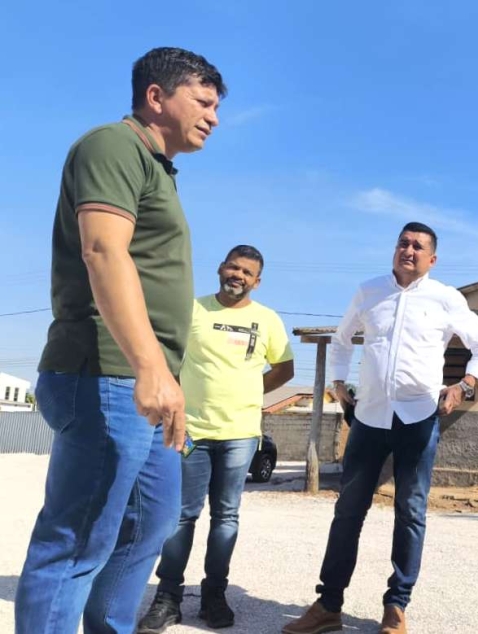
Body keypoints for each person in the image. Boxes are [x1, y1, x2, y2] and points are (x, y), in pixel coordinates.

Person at [14, 47, 226, 634]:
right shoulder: (113, 146)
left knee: (148, 525)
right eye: (203, 102)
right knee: (76, 540)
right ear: (156, 97)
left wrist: (164, 375)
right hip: (108, 372)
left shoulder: (158, 169)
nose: (213, 117)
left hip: (144, 381)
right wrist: (149, 367)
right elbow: (103, 250)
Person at [282, 222, 478, 634]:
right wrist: (338, 382)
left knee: (411, 512)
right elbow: (342, 339)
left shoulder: (446, 298)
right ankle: (328, 604)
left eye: (418, 246)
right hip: (369, 417)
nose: (408, 250)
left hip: (419, 418)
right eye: (403, 243)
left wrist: (465, 385)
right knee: (348, 511)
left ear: (432, 259)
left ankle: (396, 606)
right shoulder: (369, 291)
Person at [136, 245, 295, 632]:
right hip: (191, 430)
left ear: (257, 281)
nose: (238, 275)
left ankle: (214, 597)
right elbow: (167, 358)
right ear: (221, 269)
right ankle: (168, 598)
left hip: (240, 433)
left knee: (226, 516)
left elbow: (284, 368)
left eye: (247, 272)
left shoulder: (267, 319)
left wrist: (250, 391)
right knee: (182, 515)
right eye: (233, 267)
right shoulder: (193, 310)